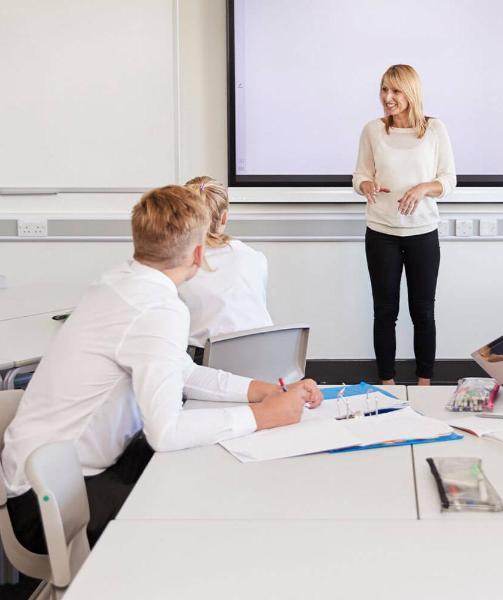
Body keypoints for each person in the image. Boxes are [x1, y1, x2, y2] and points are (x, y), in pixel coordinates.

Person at [2, 185, 322, 553]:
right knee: (207, 514)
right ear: (199, 253)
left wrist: (257, 391)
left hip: (50, 474)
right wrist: (262, 416)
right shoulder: (157, 308)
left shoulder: (120, 283)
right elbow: (165, 433)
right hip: (51, 501)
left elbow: (180, 370)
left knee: (202, 472)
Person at [353, 64, 456, 386]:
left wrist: (424, 187)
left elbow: (448, 180)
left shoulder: (435, 130)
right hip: (381, 232)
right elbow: (360, 175)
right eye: (384, 90)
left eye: (395, 91)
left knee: (423, 312)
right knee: (385, 313)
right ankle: (388, 383)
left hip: (423, 234)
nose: (388, 97)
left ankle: (425, 383)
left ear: (411, 93)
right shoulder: (373, 130)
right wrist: (366, 185)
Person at [179, 176, 273, 358]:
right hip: (262, 362)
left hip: (205, 366)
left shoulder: (176, 264)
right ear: (224, 217)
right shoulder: (255, 258)